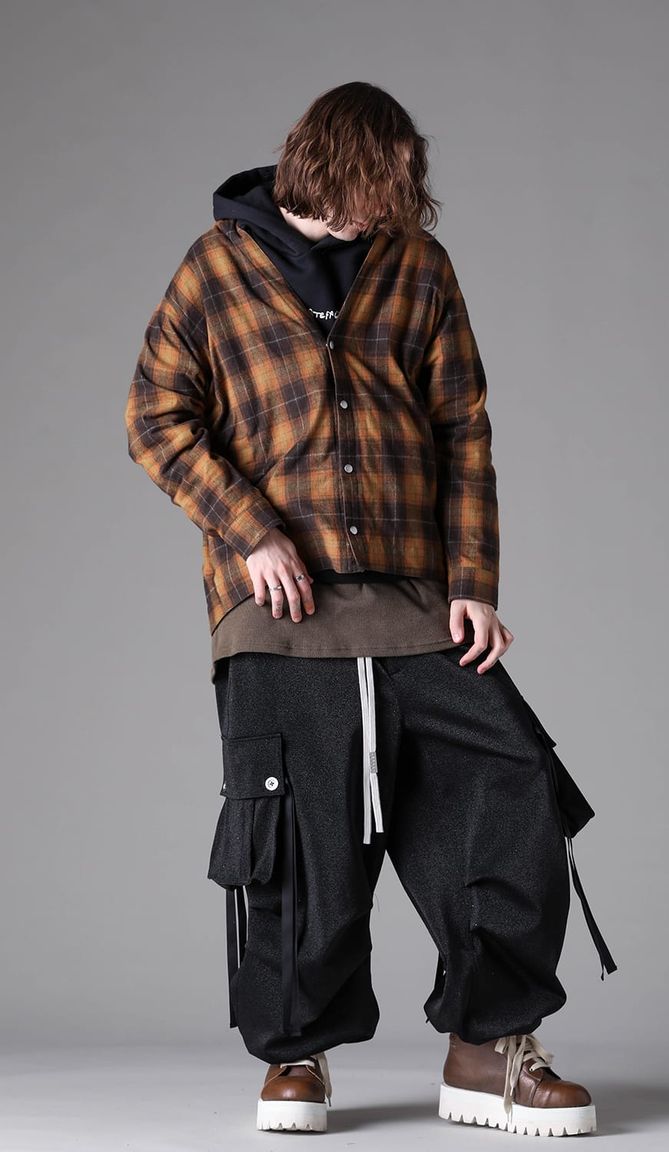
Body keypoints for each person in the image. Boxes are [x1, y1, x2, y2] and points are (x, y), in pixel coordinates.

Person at [124, 80, 616, 1137]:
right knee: (298, 829)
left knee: (508, 785)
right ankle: (295, 1050)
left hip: (413, 595)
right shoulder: (215, 269)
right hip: (276, 609)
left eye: (396, 194)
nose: (379, 213)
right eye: (367, 190)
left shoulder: (419, 266)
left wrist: (474, 582)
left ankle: (488, 1048)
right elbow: (155, 416)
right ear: (320, 165)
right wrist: (250, 531)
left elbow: (463, 427)